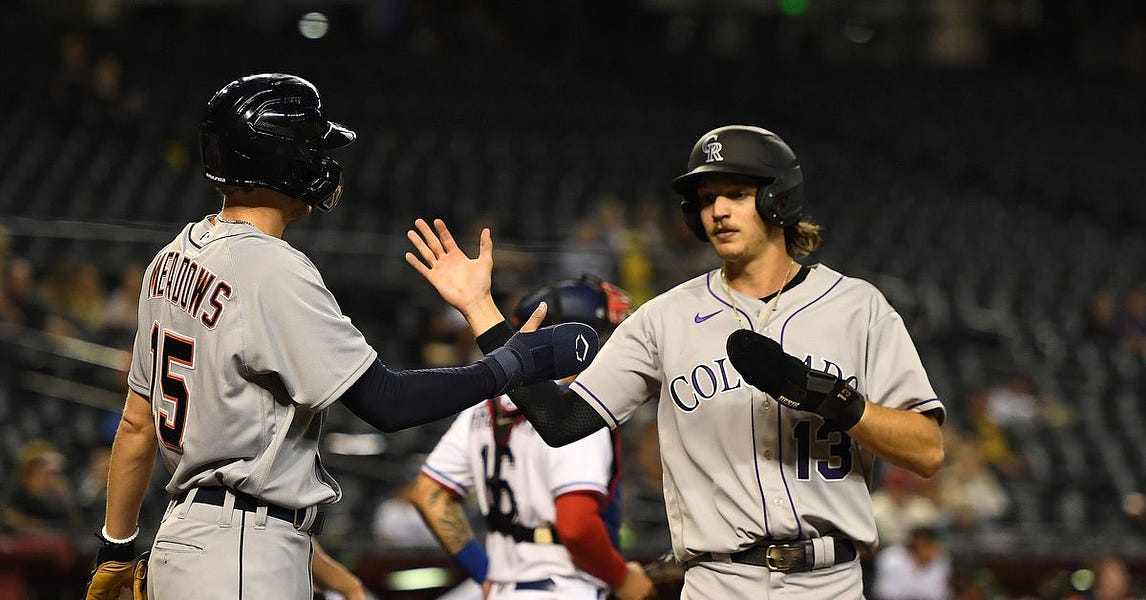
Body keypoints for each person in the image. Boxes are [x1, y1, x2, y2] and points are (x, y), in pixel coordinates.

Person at [84, 73, 599, 600]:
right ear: (276, 158)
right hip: (243, 551)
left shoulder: (169, 258)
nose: (323, 160)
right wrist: (510, 363)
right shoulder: (272, 269)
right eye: (311, 145)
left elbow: (136, 423)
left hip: (180, 541)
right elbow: (386, 402)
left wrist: (117, 547)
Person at [406, 125, 945, 599]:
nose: (718, 211)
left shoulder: (858, 307)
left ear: (779, 200)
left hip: (831, 581)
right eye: (707, 198)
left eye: (736, 193)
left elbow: (926, 451)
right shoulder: (663, 318)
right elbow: (561, 421)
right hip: (716, 584)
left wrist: (825, 396)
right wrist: (481, 311)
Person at [409, 275, 656, 600]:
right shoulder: (578, 412)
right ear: (577, 340)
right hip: (564, 587)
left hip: (504, 589)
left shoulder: (485, 406)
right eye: (604, 336)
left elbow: (429, 495)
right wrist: (622, 578)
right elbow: (576, 526)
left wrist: (484, 574)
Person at [872, 526, 953, 600]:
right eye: (930, 545)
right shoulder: (891, 558)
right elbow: (884, 594)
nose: (936, 551)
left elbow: (939, 595)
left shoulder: (941, 560)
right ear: (918, 544)